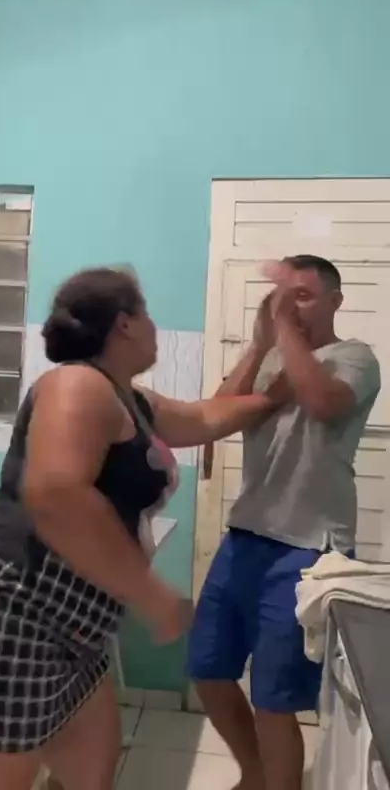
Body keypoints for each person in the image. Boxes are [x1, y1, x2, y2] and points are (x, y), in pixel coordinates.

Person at [0, 266, 286, 790]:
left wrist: (272, 371)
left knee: (91, 774)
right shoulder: (76, 382)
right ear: (126, 323)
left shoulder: (133, 401)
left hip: (73, 631)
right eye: (148, 315)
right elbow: (56, 493)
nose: (155, 328)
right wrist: (152, 595)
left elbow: (207, 417)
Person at [188, 255, 381, 790]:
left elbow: (321, 403)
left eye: (303, 295)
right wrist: (258, 344)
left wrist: (284, 329)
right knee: (207, 668)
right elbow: (215, 415)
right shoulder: (272, 359)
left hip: (308, 548)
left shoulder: (355, 358)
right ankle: (255, 774)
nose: (289, 307)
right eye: (282, 295)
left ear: (335, 302)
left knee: (274, 698)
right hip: (244, 538)